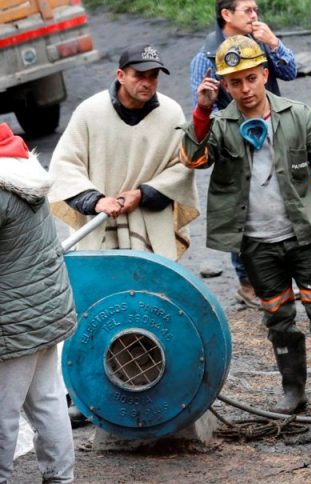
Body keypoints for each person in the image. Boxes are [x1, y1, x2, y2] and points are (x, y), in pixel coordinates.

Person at [181, 36, 311, 420]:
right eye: (235, 82)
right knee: (279, 320)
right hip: (257, 244)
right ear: (224, 85)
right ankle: (293, 391)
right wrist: (202, 110)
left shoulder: (298, 116)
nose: (245, 89)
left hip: (305, 238)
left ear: (265, 74)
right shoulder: (220, 125)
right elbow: (194, 159)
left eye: (251, 78)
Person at [188, 0, 298, 309]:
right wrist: (236, 126)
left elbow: (291, 71)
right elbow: (203, 106)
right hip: (236, 145)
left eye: (255, 10)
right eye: (247, 10)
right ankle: (247, 282)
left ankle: (282, 274)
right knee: (242, 207)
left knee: (280, 196)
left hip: (274, 133)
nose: (254, 16)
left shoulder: (260, 43)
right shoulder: (206, 57)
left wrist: (274, 43)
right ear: (226, 14)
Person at [48, 45, 198, 260]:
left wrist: (142, 194)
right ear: (121, 76)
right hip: (99, 223)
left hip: (150, 226)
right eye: (139, 75)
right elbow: (64, 165)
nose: (147, 83)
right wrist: (95, 200)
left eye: (153, 76)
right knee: (101, 280)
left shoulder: (171, 114)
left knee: (152, 280)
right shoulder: (90, 112)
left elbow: (183, 166)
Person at [0, 123, 76, 484]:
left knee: (3, 410)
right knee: (47, 399)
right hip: (44, 310)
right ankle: (61, 477)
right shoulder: (21, 170)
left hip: (12, 320)